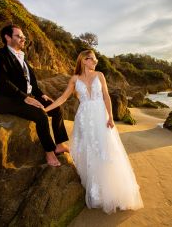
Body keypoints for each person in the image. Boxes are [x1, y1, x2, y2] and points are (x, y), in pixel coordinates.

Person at [44, 50, 143, 214]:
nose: (96, 62)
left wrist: (110, 116)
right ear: (84, 60)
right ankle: (94, 191)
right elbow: (62, 98)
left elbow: (106, 96)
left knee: (106, 150)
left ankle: (111, 192)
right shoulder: (75, 79)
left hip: (100, 116)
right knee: (88, 151)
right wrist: (45, 110)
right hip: (84, 119)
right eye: (93, 59)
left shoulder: (100, 75)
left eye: (96, 60)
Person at [0, 24, 69, 167]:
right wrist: (25, 97)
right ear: (7, 38)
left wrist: (41, 95)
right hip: (7, 99)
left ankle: (59, 145)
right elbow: (2, 81)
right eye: (19, 36)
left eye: (23, 37)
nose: (23, 39)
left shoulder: (23, 59)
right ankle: (49, 152)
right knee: (41, 115)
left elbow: (32, 84)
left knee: (56, 109)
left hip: (26, 96)